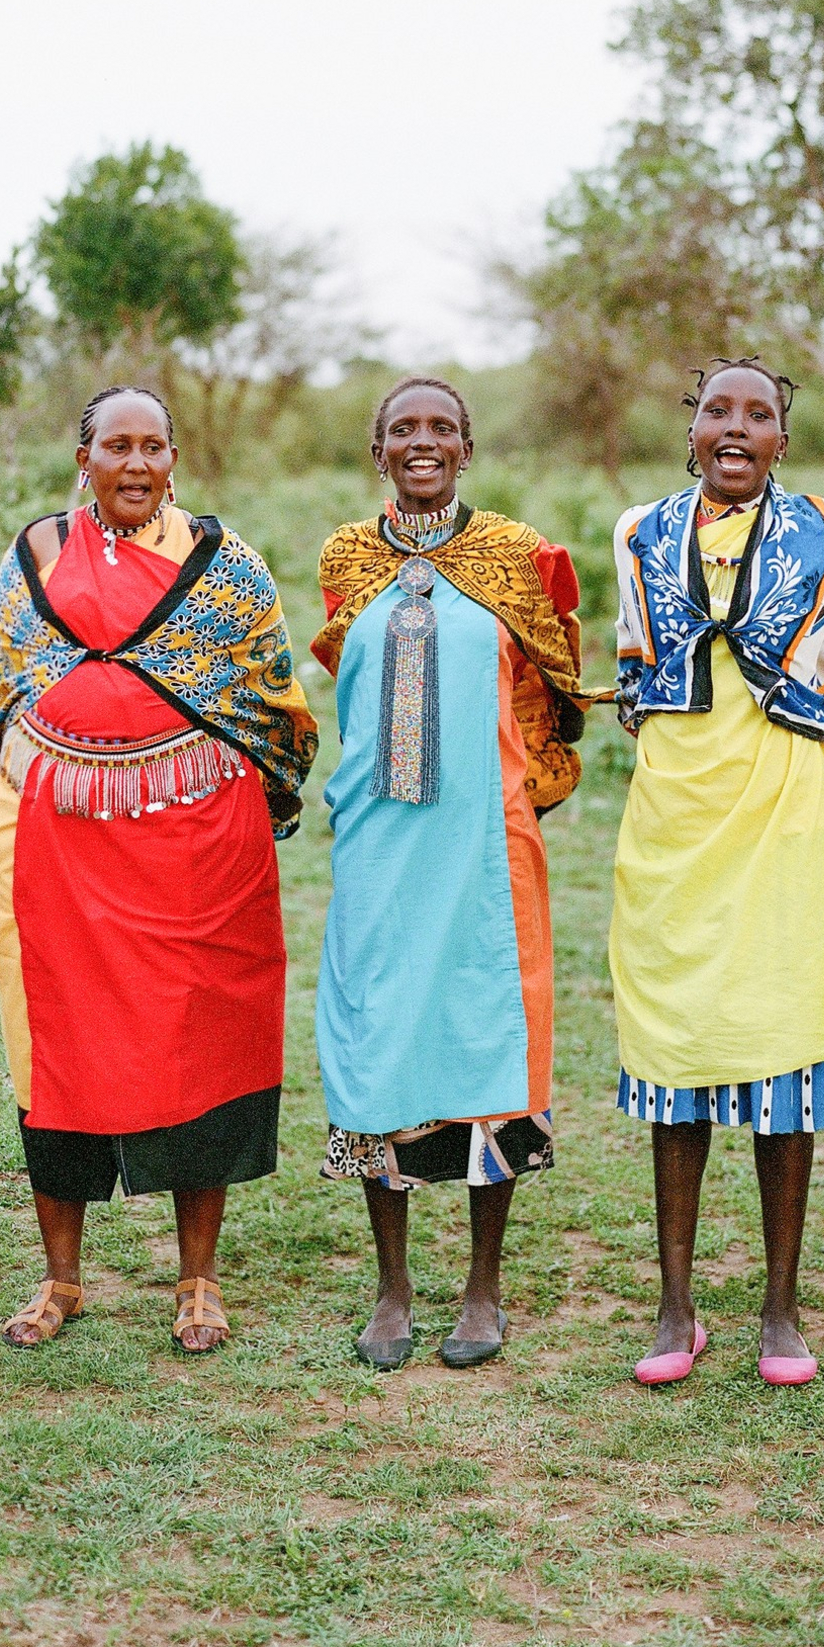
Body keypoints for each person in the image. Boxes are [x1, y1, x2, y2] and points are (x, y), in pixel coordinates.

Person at [0, 386, 316, 1353]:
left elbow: (272, 696)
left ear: (175, 459)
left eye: (152, 446)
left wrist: (261, 793)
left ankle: (199, 1278)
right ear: (83, 458)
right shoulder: (35, 553)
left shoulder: (228, 564)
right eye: (116, 445)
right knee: (58, 1044)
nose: (135, 463)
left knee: (199, 1037)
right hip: (56, 841)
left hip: (196, 842)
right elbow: (10, 689)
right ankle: (61, 1278)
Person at [609, 359, 824, 1389]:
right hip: (674, 819)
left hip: (784, 812)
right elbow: (633, 671)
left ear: (783, 435)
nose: (735, 427)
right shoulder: (639, 532)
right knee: (679, 1050)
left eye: (759, 414)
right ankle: (673, 1305)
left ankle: (780, 1307)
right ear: (688, 426)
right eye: (715, 409)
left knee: (782, 1044)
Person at [313, 376, 596, 1370]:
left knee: (486, 1036)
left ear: (467, 447)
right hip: (379, 848)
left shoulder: (518, 556)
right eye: (402, 430)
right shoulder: (346, 559)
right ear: (377, 449)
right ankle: (391, 1287)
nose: (421, 442)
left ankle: (482, 1285)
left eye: (440, 428)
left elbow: (560, 694)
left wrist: (517, 796)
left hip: (485, 844)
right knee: (379, 1038)